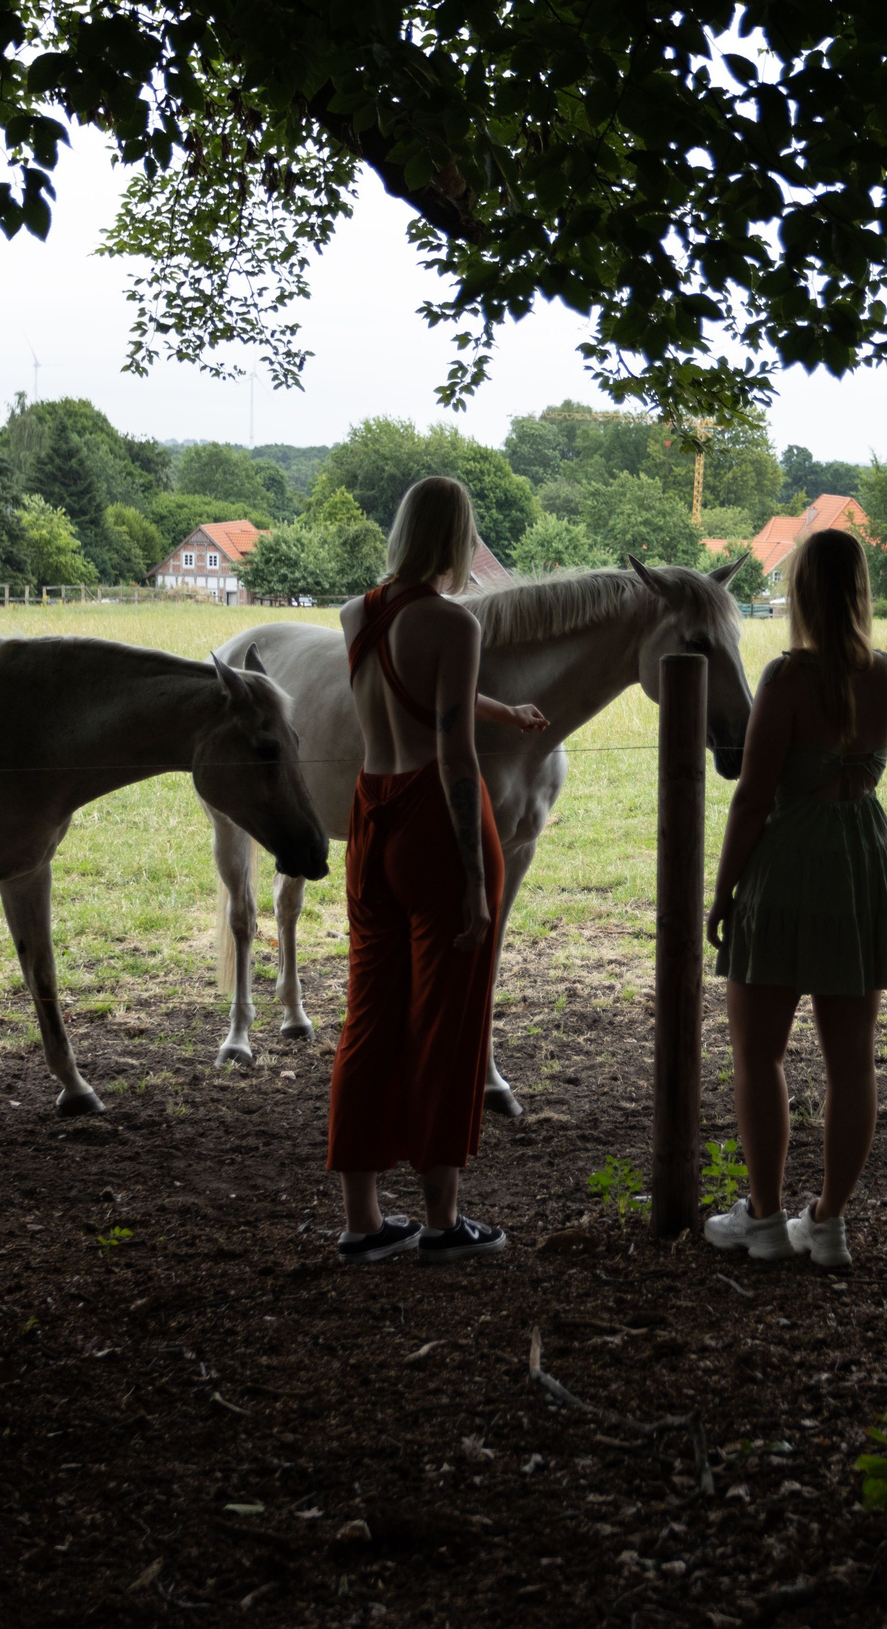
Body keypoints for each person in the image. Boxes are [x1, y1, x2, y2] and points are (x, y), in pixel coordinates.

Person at [329, 476, 547, 1265]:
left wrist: (503, 711)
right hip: (433, 817)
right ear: (459, 539)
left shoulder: (359, 612)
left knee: (370, 1016)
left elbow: (416, 695)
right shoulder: (455, 622)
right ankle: (442, 1221)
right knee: (447, 1021)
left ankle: (362, 1222)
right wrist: (478, 883)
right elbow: (452, 753)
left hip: (370, 811)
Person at [702, 526, 887, 1270]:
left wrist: (722, 894)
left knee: (761, 1054)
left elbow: (752, 799)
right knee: (853, 1061)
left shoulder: (787, 679)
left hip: (790, 864)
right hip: (863, 858)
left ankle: (763, 1219)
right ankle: (829, 1223)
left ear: (801, 593)